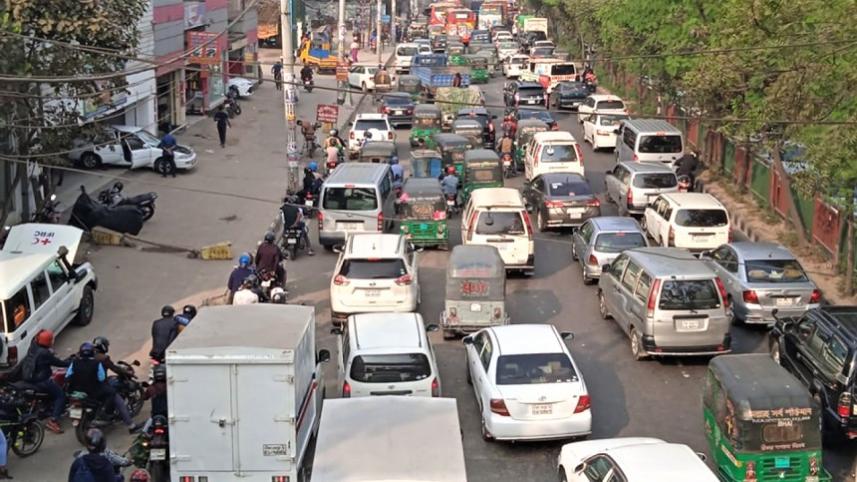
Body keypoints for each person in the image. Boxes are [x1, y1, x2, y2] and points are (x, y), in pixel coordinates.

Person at [18, 329, 68, 434]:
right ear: (48, 342)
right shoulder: (44, 353)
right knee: (60, 396)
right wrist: (70, 362)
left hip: (29, 377)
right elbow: (58, 363)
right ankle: (53, 420)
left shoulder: (33, 346)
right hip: (41, 380)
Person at [91, 337, 142, 433]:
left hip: (87, 386)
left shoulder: (88, 356)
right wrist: (127, 373)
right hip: (99, 386)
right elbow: (114, 368)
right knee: (119, 402)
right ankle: (131, 426)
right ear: (103, 346)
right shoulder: (103, 358)